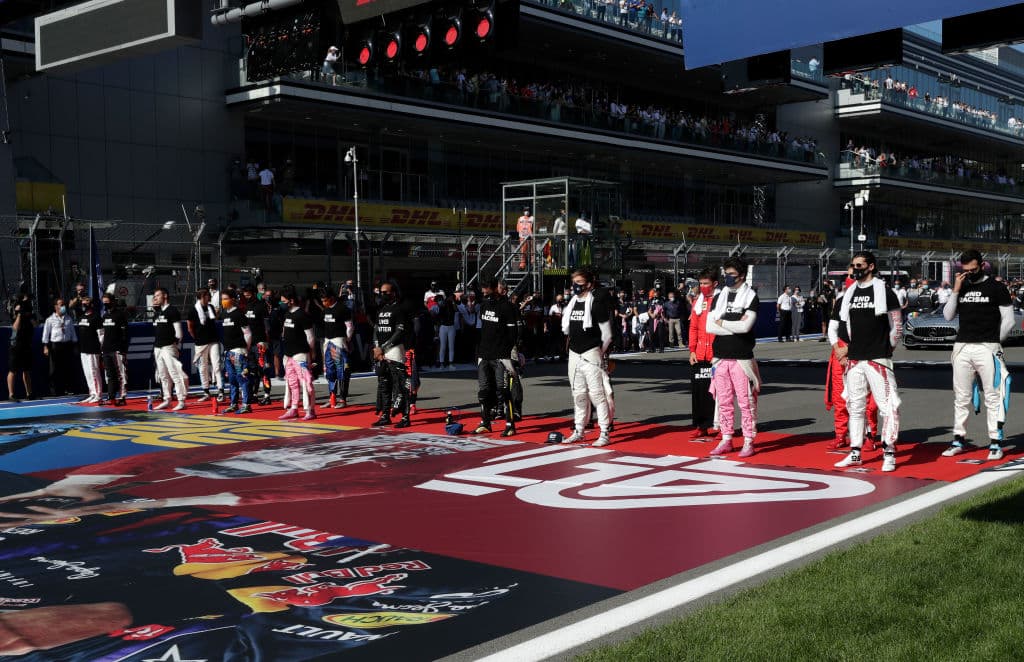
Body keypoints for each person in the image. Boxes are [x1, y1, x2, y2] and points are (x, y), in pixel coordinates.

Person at [941, 250, 1014, 461]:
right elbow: (947, 316)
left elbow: (1008, 320)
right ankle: (958, 440)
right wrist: (955, 290)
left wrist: (993, 342)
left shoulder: (997, 287)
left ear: (982, 265)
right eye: (965, 270)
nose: (970, 273)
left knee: (993, 396)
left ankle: (995, 441)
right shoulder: (961, 285)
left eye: (973, 269)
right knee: (961, 397)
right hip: (962, 346)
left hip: (987, 347)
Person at [833, 251, 902, 472]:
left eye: (859, 265)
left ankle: (889, 452)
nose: (855, 269)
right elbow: (843, 325)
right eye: (853, 265)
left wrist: (887, 349)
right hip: (855, 358)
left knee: (888, 407)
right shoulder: (849, 293)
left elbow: (896, 326)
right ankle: (855, 453)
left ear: (871, 266)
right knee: (855, 407)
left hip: (878, 358)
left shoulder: (885, 291)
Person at [707, 257, 761, 458]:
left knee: (746, 402)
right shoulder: (719, 296)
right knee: (723, 401)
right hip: (720, 357)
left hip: (741, 357)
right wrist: (732, 326)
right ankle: (726, 438)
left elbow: (746, 327)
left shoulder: (751, 296)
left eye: (731, 275)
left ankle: (748, 440)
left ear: (742, 276)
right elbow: (709, 326)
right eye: (725, 274)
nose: (727, 278)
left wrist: (721, 324)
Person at [826, 271, 879, 451]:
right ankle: (840, 436)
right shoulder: (840, 301)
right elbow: (832, 330)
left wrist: (849, 350)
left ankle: (869, 436)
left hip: (865, 351)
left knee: (868, 401)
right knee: (840, 399)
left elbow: (874, 330)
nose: (851, 278)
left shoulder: (875, 298)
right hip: (840, 352)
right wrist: (838, 350)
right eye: (849, 276)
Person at [560, 268, 613, 446]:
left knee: (598, 395)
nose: (575, 286)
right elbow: (567, 330)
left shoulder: (596, 304)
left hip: (591, 353)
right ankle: (579, 430)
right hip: (574, 353)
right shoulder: (572, 303)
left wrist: (600, 352)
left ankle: (604, 431)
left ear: (589, 284)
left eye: (579, 283)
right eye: (573, 282)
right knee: (578, 395)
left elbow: (607, 335)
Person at [474, 277, 519, 436]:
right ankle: (485, 422)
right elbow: (481, 329)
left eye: (486, 288)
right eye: (483, 289)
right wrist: (479, 352)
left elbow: (513, 334)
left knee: (503, 390)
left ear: (495, 288)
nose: (484, 291)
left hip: (501, 356)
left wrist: (507, 354)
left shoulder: (507, 307)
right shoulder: (484, 305)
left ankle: (510, 424)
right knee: (483, 391)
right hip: (484, 354)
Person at [372, 281, 412, 428]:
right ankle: (385, 415)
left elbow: (399, 331)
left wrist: (383, 347)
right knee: (384, 385)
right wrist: (376, 348)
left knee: (401, 385)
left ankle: (405, 417)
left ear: (393, 293)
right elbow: (375, 330)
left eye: (386, 292)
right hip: (381, 352)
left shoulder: (399, 309)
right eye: (381, 292)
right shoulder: (381, 309)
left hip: (394, 350)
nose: (383, 295)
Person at [688, 268, 720, 439]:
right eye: (701, 283)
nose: (703, 286)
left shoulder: (722, 300)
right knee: (699, 392)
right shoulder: (697, 302)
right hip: (700, 354)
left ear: (715, 283)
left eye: (706, 283)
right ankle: (701, 426)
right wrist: (692, 350)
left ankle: (722, 427)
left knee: (720, 393)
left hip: (717, 354)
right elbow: (693, 327)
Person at [279, 285, 316, 421]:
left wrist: (309, 352)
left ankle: (310, 410)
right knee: (291, 382)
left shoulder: (303, 315)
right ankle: (293, 408)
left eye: (283, 301)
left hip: (300, 354)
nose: (282, 303)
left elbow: (310, 338)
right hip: (288, 354)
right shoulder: (287, 314)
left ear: (291, 300)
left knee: (306, 383)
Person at [150, 287, 188, 411]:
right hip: (158, 348)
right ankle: (167, 399)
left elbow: (179, 333)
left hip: (169, 347)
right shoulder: (158, 312)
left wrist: (173, 346)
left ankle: (181, 400)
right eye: (154, 296)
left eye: (157, 295)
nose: (155, 298)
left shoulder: (172, 311)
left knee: (175, 374)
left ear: (165, 296)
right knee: (163, 375)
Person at [187, 289, 224, 403]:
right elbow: (190, 328)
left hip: (213, 340)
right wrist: (197, 338)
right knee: (202, 368)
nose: (210, 298)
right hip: (200, 342)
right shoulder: (193, 310)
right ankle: (206, 391)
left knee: (216, 365)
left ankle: (220, 390)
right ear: (202, 296)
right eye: (208, 296)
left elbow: (214, 320)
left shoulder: (211, 307)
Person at [320, 287, 354, 408]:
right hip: (327, 343)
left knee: (342, 371)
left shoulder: (343, 309)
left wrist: (346, 340)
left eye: (325, 300)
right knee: (330, 371)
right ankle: (332, 397)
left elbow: (349, 327)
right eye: (322, 301)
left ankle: (343, 399)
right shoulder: (325, 310)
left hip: (339, 342)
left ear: (332, 298)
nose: (324, 303)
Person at [219, 290, 252, 415]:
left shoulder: (239, 314)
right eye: (222, 298)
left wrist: (246, 350)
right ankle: (233, 403)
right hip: (228, 352)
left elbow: (247, 333)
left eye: (226, 298)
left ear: (233, 299)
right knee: (232, 380)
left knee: (242, 378)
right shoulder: (223, 314)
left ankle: (246, 404)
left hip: (239, 352)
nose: (223, 301)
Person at [41, 298, 77, 397]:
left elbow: (72, 332)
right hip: (55, 346)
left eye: (63, 305)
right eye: (60, 305)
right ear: (55, 307)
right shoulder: (50, 319)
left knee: (68, 367)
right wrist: (45, 347)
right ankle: (54, 390)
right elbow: (46, 334)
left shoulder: (69, 318)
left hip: (67, 344)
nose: (63, 307)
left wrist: (74, 344)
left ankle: (68, 389)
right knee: (54, 369)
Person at [242, 285, 271, 405]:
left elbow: (267, 327)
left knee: (264, 369)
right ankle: (254, 394)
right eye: (244, 294)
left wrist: (266, 342)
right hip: (250, 343)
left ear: (254, 293)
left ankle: (267, 395)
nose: (246, 296)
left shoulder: (261, 306)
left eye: (248, 293)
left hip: (260, 343)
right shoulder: (246, 306)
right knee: (252, 370)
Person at [99, 293, 128, 406]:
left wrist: (123, 349)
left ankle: (122, 397)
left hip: (117, 349)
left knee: (121, 374)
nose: (105, 304)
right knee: (110, 375)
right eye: (104, 302)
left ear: (113, 302)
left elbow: (125, 333)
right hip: (106, 349)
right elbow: (103, 334)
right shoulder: (105, 315)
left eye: (107, 302)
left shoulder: (120, 315)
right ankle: (111, 397)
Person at [75, 293, 104, 403]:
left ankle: (98, 394)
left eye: (86, 303)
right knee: (87, 372)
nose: (83, 304)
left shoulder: (96, 317)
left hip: (93, 349)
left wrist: (100, 349)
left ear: (91, 304)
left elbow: (101, 335)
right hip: (84, 350)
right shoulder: (82, 317)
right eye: (82, 303)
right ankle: (92, 393)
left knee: (94, 372)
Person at [6, 299, 34, 401]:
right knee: (13, 370)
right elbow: (15, 328)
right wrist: (18, 315)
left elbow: (35, 324)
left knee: (26, 370)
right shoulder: (15, 317)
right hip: (16, 346)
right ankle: (11, 394)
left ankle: (29, 393)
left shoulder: (28, 317)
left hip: (26, 346)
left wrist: (28, 315)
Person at [436, 293, 457, 369]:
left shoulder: (453, 305)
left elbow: (456, 310)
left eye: (452, 298)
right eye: (450, 297)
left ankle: (451, 363)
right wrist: (446, 301)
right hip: (443, 326)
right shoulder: (443, 304)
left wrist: (453, 302)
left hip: (451, 326)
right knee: (443, 346)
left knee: (451, 346)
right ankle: (442, 363)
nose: (451, 299)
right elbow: (440, 307)